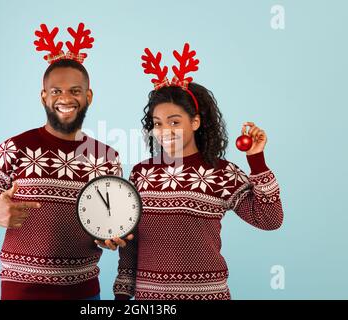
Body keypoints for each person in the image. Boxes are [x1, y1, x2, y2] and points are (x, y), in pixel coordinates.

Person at [112, 43, 284, 300]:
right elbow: (130, 244)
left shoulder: (221, 173)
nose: (164, 131)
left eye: (174, 122)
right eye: (157, 123)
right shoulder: (141, 174)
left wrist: (256, 159)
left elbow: (269, 219)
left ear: (195, 122)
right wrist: (123, 295)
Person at [0, 23, 122, 300]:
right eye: (56, 91)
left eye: (75, 91)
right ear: (43, 96)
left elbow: (111, 225)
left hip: (84, 293)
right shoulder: (13, 148)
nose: (65, 98)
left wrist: (109, 237)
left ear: (88, 97)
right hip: (21, 292)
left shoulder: (107, 159)